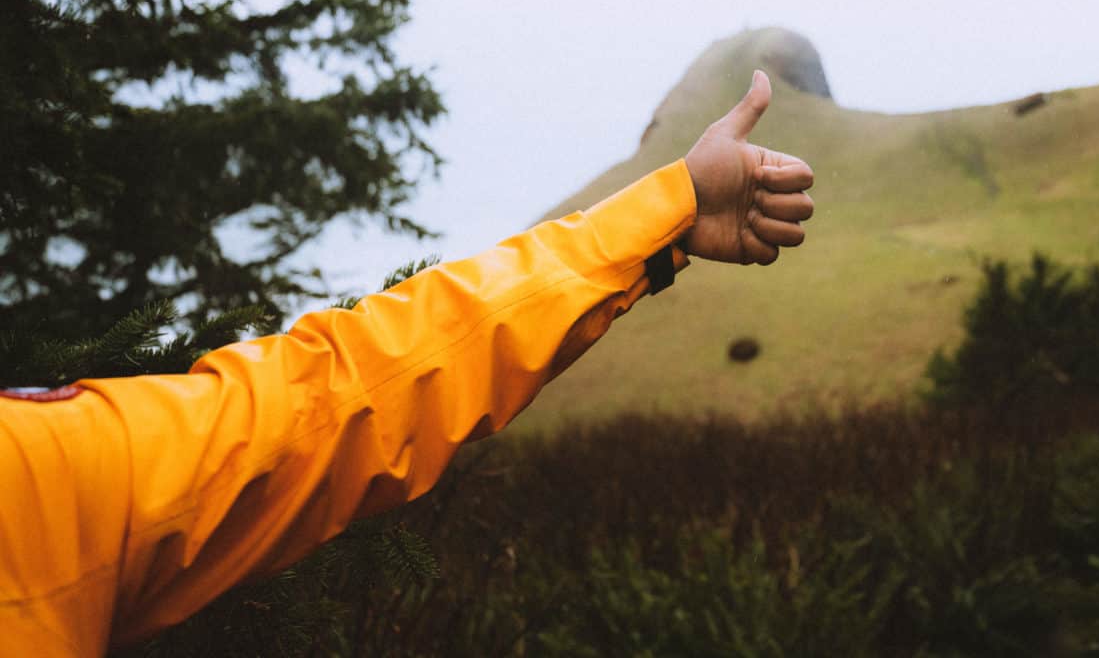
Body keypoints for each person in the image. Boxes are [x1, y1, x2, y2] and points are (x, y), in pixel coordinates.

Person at [0, 70, 814, 656]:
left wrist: (664, 213)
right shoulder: (35, 482)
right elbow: (336, 398)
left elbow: (346, 394)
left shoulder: (32, 482)